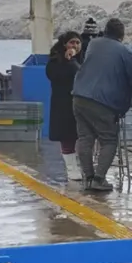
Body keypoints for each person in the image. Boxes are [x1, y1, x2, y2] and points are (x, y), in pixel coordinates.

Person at [71, 18, 132, 192]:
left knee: (85, 138)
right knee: (109, 140)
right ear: (122, 35)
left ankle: (88, 178)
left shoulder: (94, 44)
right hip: (102, 102)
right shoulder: (123, 51)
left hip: (79, 96)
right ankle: (99, 179)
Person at [46, 31, 83, 181]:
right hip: (63, 104)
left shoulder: (83, 59)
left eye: (77, 43)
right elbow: (54, 74)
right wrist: (69, 61)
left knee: (83, 135)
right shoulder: (55, 61)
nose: (75, 46)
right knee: (67, 137)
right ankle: (72, 168)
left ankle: (84, 166)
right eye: (72, 42)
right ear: (64, 44)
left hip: (81, 103)